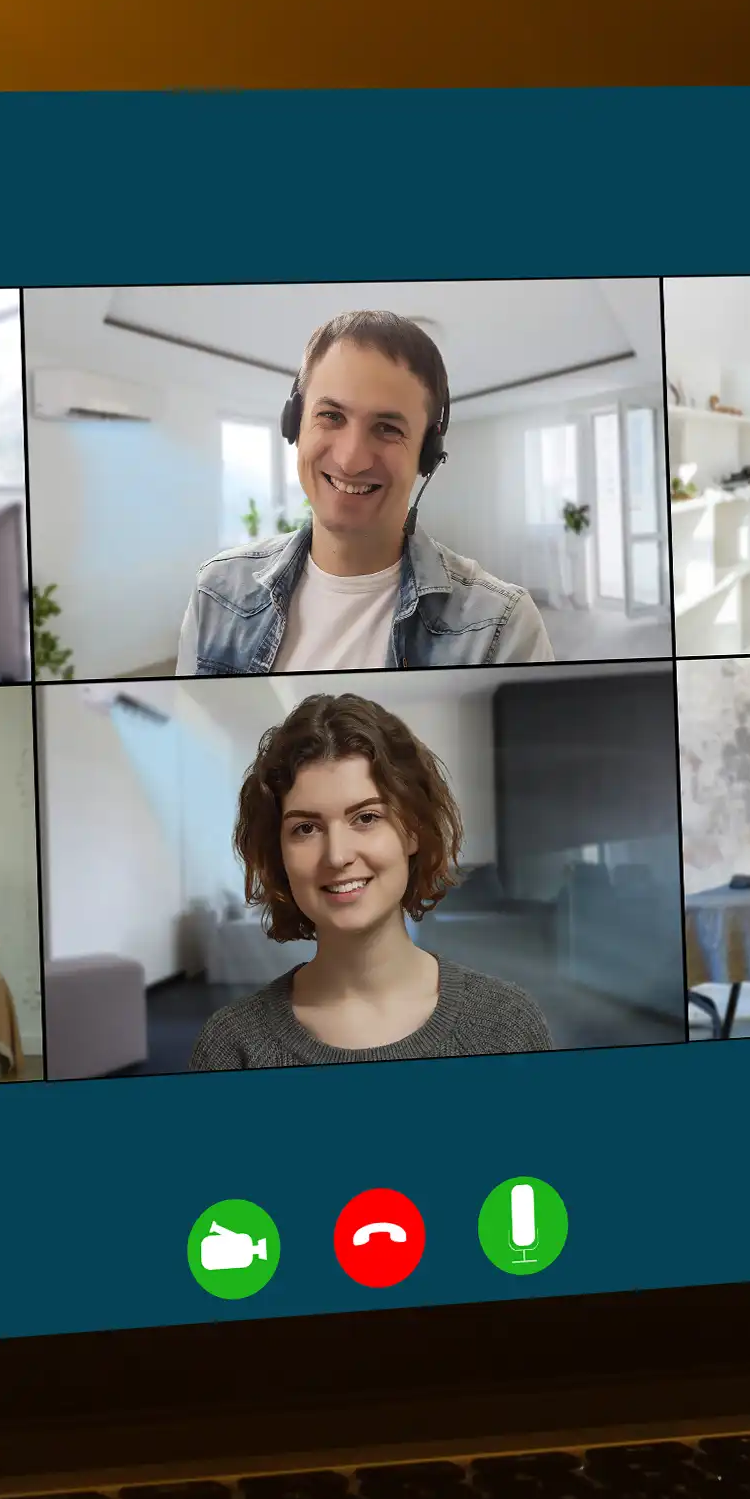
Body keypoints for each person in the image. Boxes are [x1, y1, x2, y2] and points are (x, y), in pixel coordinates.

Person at [190, 687, 560, 1066]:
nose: (337, 856)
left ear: (413, 830)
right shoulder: (232, 1045)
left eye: (366, 818)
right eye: (306, 828)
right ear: (279, 853)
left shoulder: (506, 1026)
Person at [175, 307, 554, 672]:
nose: (351, 460)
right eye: (331, 416)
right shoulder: (217, 592)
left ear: (426, 454)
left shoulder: (502, 628)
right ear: (295, 424)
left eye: (387, 428)